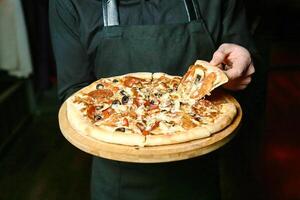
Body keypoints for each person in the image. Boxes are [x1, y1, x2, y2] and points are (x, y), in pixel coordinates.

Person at [50, 0, 260, 199]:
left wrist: (239, 67)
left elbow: (244, 63)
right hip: (118, 182)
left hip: (200, 172)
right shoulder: (70, 2)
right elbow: (75, 93)